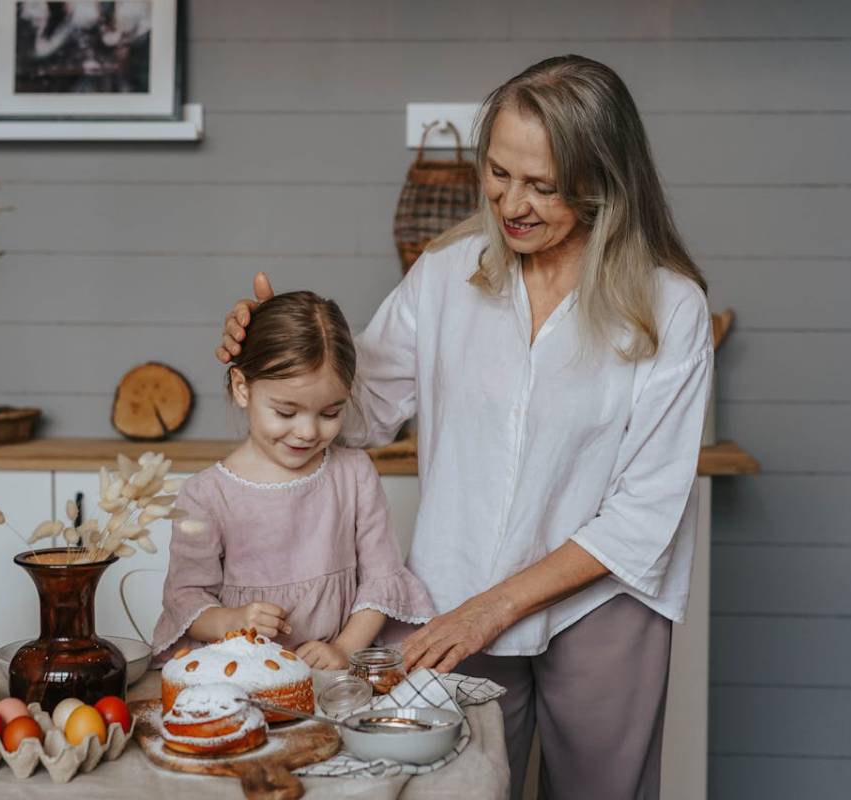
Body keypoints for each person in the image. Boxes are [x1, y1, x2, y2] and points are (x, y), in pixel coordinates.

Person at [218, 55, 712, 799]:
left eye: (543, 186)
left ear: (603, 183)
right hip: (449, 593)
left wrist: (496, 607)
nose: (512, 204)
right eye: (498, 173)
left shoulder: (671, 308)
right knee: (442, 787)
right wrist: (279, 364)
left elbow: (644, 513)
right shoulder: (447, 274)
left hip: (603, 608)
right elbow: (362, 414)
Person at [153, 290, 435, 670]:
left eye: (329, 412)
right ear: (242, 388)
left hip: (334, 675)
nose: (306, 432)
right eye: (286, 412)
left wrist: (344, 648)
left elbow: (381, 581)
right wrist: (234, 622)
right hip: (242, 675)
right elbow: (186, 601)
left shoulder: (354, 474)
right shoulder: (206, 494)